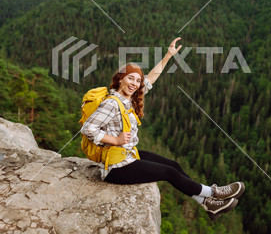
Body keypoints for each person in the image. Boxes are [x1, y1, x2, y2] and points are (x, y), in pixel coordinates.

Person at [81, 37, 245, 221]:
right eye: (130, 78)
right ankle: (212, 193)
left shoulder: (129, 100)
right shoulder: (112, 103)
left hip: (128, 155)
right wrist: (116, 140)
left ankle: (207, 204)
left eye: (137, 80)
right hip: (115, 167)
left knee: (173, 165)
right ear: (120, 79)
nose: (134, 83)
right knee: (169, 173)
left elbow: (150, 78)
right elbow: (88, 128)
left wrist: (168, 55)